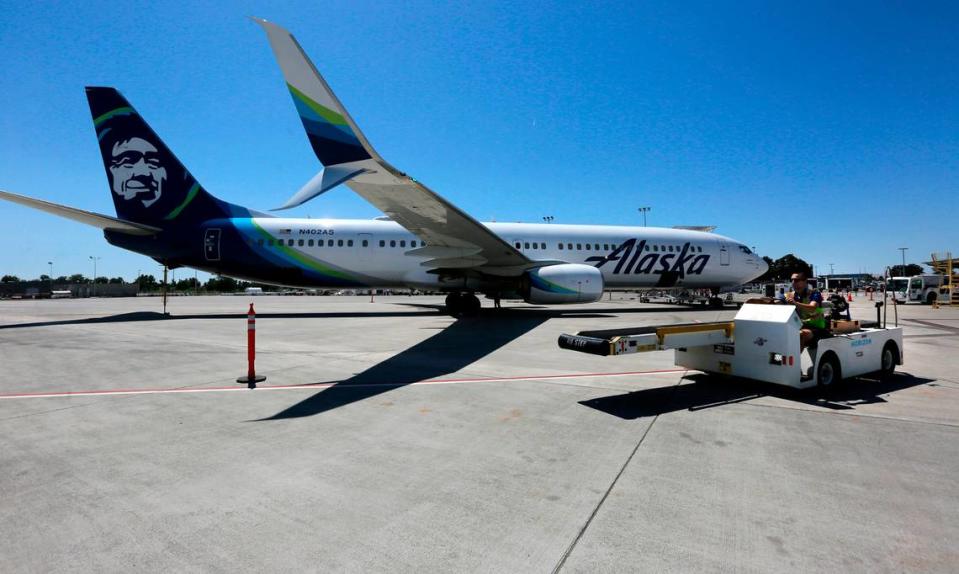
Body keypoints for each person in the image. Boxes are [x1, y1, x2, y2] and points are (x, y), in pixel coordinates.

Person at [785, 271, 826, 350]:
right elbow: (778, 302)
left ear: (805, 282)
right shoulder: (790, 295)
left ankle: (794, 361)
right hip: (799, 326)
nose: (793, 282)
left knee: (800, 334)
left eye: (797, 280)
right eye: (792, 280)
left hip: (816, 328)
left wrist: (795, 303)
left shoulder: (814, 293)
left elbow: (813, 307)